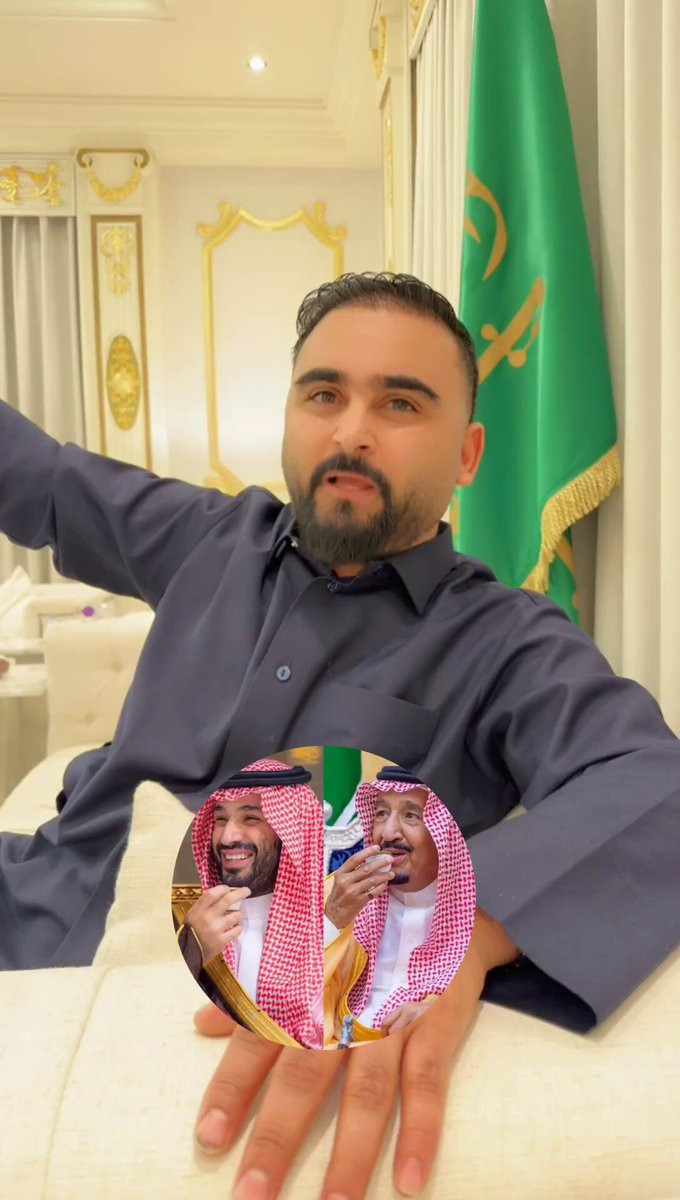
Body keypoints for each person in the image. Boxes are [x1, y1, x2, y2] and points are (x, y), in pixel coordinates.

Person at [1, 272, 678, 1199]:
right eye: (324, 394)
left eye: (400, 403)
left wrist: (464, 921)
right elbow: (37, 476)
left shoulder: (507, 640)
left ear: (468, 453)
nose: (351, 430)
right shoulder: (208, 539)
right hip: (34, 890)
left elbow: (653, 782)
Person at [172, 760, 324, 1049]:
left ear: (289, 829)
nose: (228, 838)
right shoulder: (184, 917)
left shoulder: (333, 924)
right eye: (220, 819)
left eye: (251, 819)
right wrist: (193, 947)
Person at [323, 766, 475, 1044]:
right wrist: (332, 921)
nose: (388, 832)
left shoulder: (480, 919)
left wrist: (444, 1006)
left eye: (411, 815)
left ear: (447, 832)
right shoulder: (337, 894)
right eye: (381, 813)